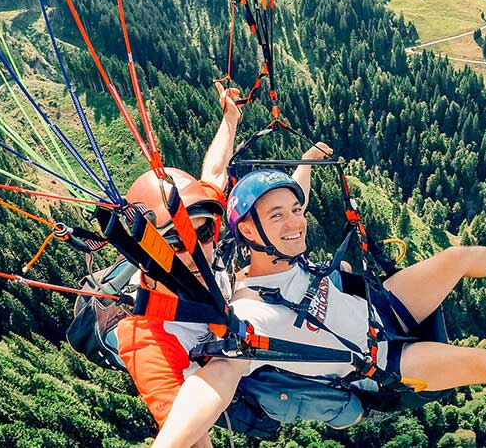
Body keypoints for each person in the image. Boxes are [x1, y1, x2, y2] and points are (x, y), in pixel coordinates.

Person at [151, 169, 486, 448]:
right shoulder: (247, 319)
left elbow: (266, 199)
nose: (295, 223)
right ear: (250, 233)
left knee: (457, 258)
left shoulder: (272, 254)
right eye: (277, 216)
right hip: (381, 363)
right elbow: (211, 385)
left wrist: (303, 164)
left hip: (378, 308)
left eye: (297, 210)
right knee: (484, 365)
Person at [115, 83, 332, 447]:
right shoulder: (146, 338)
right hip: (218, 368)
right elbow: (184, 436)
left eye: (202, 235)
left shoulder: (200, 224)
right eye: (173, 244)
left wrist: (230, 118)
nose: (196, 251)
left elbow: (214, 174)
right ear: (145, 250)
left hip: (225, 325)